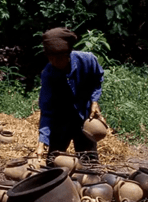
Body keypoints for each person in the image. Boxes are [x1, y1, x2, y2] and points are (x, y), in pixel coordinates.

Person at [36, 27, 106, 163]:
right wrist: (42, 141)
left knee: (89, 163)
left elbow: (97, 80)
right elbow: (46, 110)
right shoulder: (49, 74)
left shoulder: (87, 60)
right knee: (53, 162)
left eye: (58, 58)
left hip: (85, 118)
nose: (54, 62)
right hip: (60, 120)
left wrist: (94, 101)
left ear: (67, 54)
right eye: (50, 58)